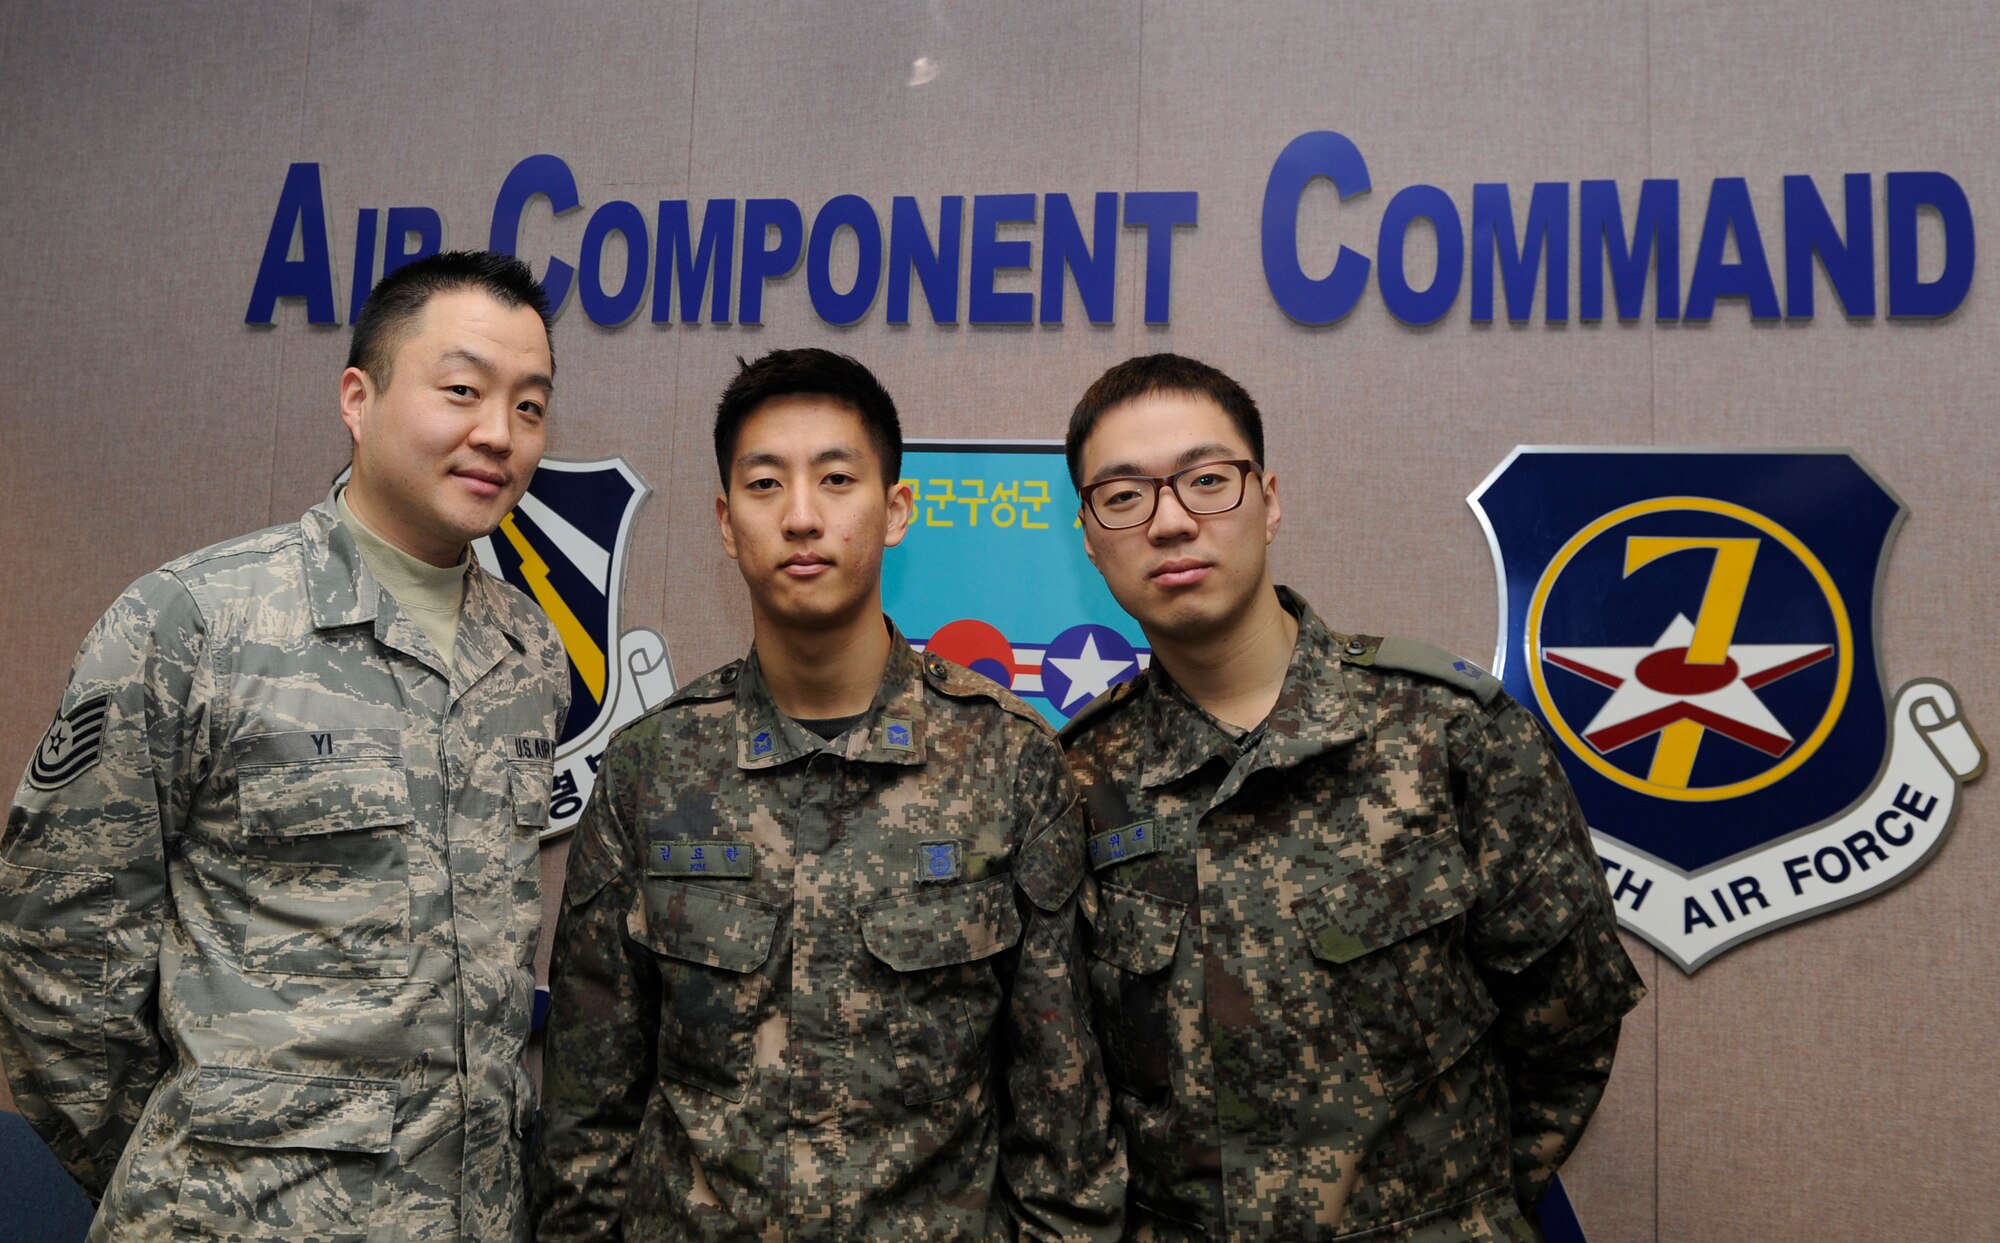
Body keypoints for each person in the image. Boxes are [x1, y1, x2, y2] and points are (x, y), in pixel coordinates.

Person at [0, 250, 572, 1240]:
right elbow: (56, 949)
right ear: (358, 397)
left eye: (529, 406)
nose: (498, 434)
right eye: (462, 391)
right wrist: (193, 1166)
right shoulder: (195, 621)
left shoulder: (528, 655)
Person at [533, 348, 1123, 1241]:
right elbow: (588, 1118)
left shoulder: (1007, 762)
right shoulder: (653, 768)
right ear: (727, 524)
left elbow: (1061, 1124)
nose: (802, 517)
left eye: (836, 479)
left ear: (895, 511)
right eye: (766, 485)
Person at [1058, 354, 1645, 1240]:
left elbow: (1569, 1020)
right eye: (1126, 497)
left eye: (1208, 480)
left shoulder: (1446, 732)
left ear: (1271, 500)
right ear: (1091, 536)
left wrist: (1445, 1211)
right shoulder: (1076, 781)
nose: (1172, 521)